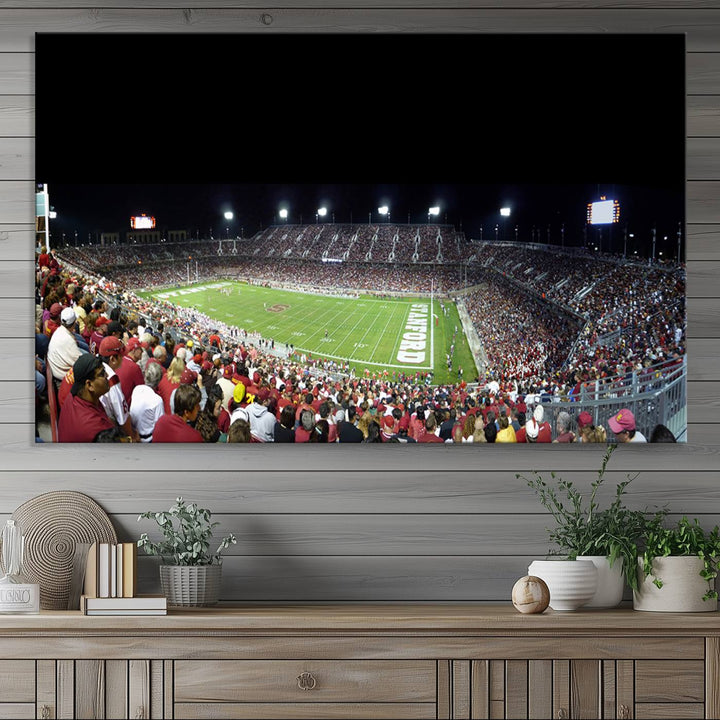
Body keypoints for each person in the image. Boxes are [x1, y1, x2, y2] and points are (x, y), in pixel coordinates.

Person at [57, 354, 116, 442]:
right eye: (102, 373)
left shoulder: (73, 396)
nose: (107, 375)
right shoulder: (97, 429)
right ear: (89, 385)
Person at [129, 361, 165, 443]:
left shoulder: (137, 389)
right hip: (147, 439)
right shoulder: (157, 400)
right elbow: (160, 426)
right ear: (159, 381)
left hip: (134, 435)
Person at [47, 306, 84, 382]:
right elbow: (82, 362)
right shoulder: (68, 340)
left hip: (57, 370)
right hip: (62, 376)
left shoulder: (59, 331)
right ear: (74, 323)